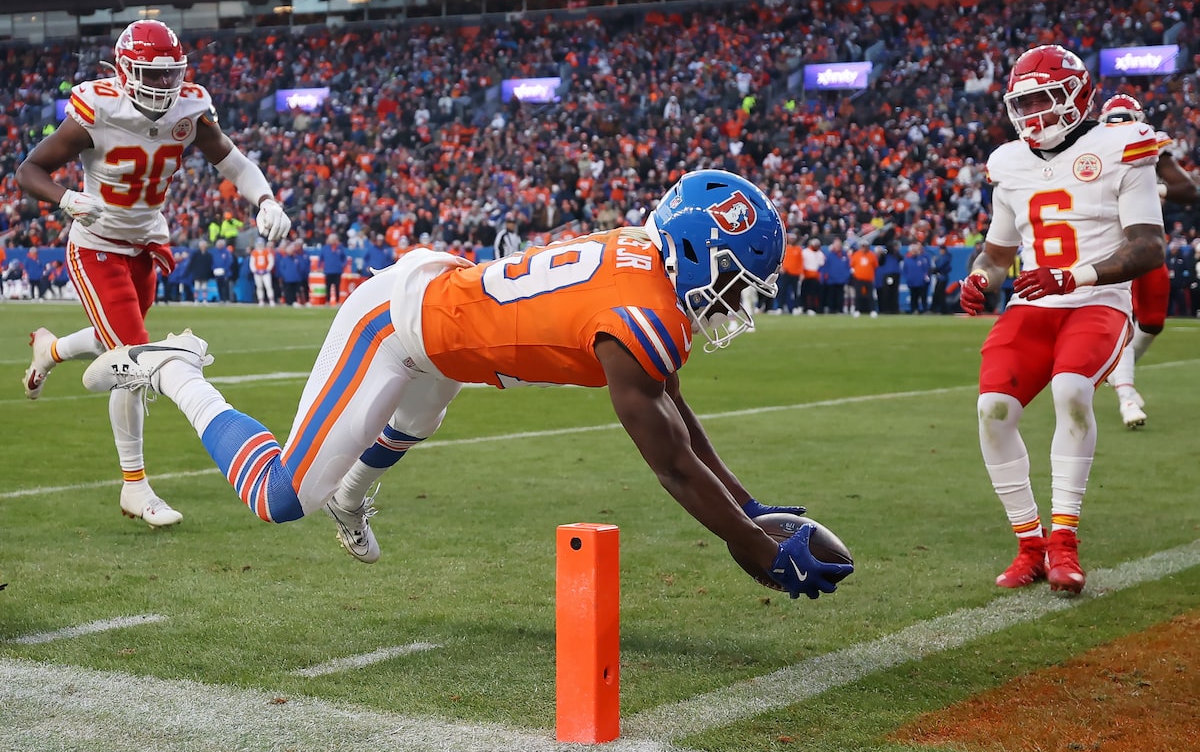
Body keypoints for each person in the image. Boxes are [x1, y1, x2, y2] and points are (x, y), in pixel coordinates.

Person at [80, 169, 853, 600]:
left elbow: (676, 411)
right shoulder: (639, 315)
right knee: (281, 498)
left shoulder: (646, 276)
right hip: (397, 322)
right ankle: (174, 369)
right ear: (692, 249)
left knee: (417, 422)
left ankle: (352, 497)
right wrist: (754, 548)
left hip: (448, 319)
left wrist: (752, 509)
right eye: (734, 282)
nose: (733, 302)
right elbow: (672, 462)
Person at [16, 19, 292, 527]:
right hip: (97, 244)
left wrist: (266, 198)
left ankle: (50, 350)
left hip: (146, 243)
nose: (164, 86)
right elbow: (29, 169)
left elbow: (232, 162)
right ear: (124, 72)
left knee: (120, 345)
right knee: (133, 358)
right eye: (151, 75)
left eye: (171, 76)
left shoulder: (189, 107)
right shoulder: (98, 108)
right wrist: (65, 198)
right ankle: (134, 487)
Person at [959, 45, 1166, 594]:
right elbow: (998, 253)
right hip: (1035, 303)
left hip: (1098, 300)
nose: (1035, 114)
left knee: (1073, 391)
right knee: (992, 410)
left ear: (1078, 95)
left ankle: (1065, 544)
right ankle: (1030, 544)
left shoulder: (1122, 145)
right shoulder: (1008, 163)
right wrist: (981, 278)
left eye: (1047, 99)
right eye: (1024, 103)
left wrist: (1075, 277)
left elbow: (1149, 247)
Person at [1096, 94, 1200, 428]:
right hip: (1111, 243)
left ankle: (1117, 371)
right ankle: (1126, 394)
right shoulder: (1091, 148)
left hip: (1147, 241)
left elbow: (1187, 190)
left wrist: (1150, 190)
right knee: (1122, 318)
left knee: (1153, 321)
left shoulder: (1150, 146)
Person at [320, 231, 347, 306]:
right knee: (328, 287)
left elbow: (344, 258)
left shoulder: (340, 248)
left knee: (337, 286)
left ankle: (337, 301)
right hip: (328, 270)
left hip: (337, 271)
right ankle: (328, 301)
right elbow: (321, 259)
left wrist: (342, 265)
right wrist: (320, 267)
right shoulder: (325, 248)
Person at [250, 237, 276, 306]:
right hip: (257, 273)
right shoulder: (254, 252)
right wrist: (255, 271)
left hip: (265, 272)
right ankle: (261, 300)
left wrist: (267, 269)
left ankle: (271, 300)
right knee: (259, 287)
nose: (260, 245)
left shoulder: (267, 252)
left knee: (268, 286)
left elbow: (271, 261)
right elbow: (252, 263)